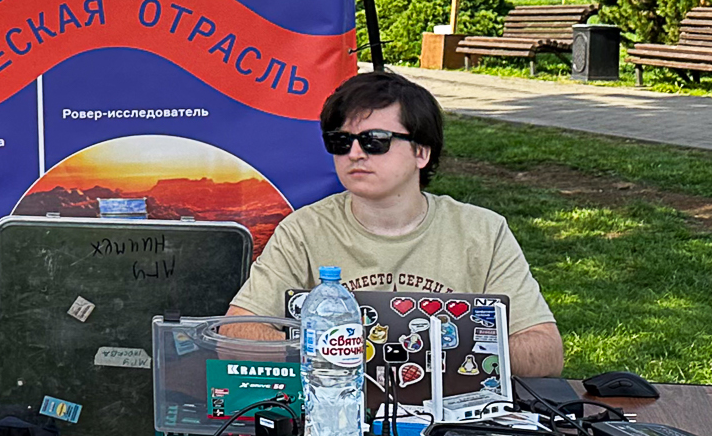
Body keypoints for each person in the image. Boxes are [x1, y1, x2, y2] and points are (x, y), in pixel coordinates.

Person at [230, 73, 563, 377]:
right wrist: (333, 355)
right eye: (340, 141)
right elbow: (236, 331)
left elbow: (545, 352)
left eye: (375, 140)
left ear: (421, 153)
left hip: (451, 415)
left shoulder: (483, 232)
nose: (355, 153)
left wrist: (433, 356)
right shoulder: (303, 230)